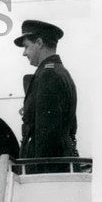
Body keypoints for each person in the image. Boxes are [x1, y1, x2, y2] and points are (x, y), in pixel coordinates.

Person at [13, 19, 78, 160]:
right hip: (59, 162)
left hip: (47, 167)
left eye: (26, 46)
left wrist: (38, 169)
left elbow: (47, 136)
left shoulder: (48, 75)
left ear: (39, 43)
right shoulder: (59, 72)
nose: (24, 53)